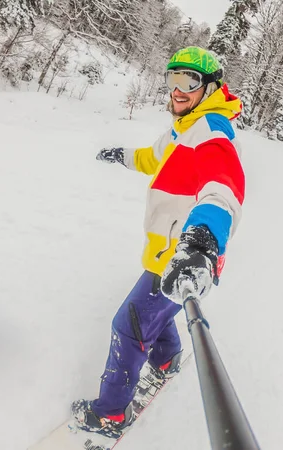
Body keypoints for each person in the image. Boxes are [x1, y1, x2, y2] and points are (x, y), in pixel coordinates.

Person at [71, 46, 245, 434]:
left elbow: (223, 189)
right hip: (163, 253)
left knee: (128, 325)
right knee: (155, 310)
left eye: (189, 81)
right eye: (172, 79)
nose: (178, 90)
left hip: (183, 256)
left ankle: (111, 414)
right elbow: (154, 158)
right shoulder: (182, 128)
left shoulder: (212, 129)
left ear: (211, 87)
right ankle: (166, 360)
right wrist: (122, 155)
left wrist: (200, 243)